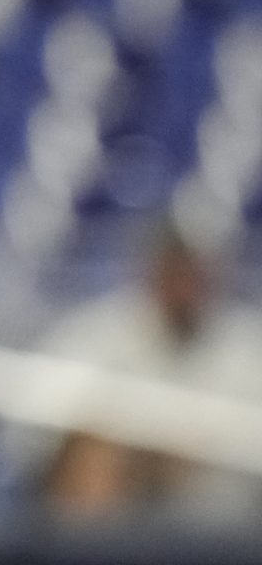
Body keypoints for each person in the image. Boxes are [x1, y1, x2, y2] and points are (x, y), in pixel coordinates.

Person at [33, 222, 262, 521]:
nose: (183, 288)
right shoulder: (97, 332)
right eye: (173, 272)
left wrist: (189, 451)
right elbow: (44, 427)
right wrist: (137, 454)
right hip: (120, 519)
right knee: (92, 459)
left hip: (227, 524)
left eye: (191, 274)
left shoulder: (246, 344)